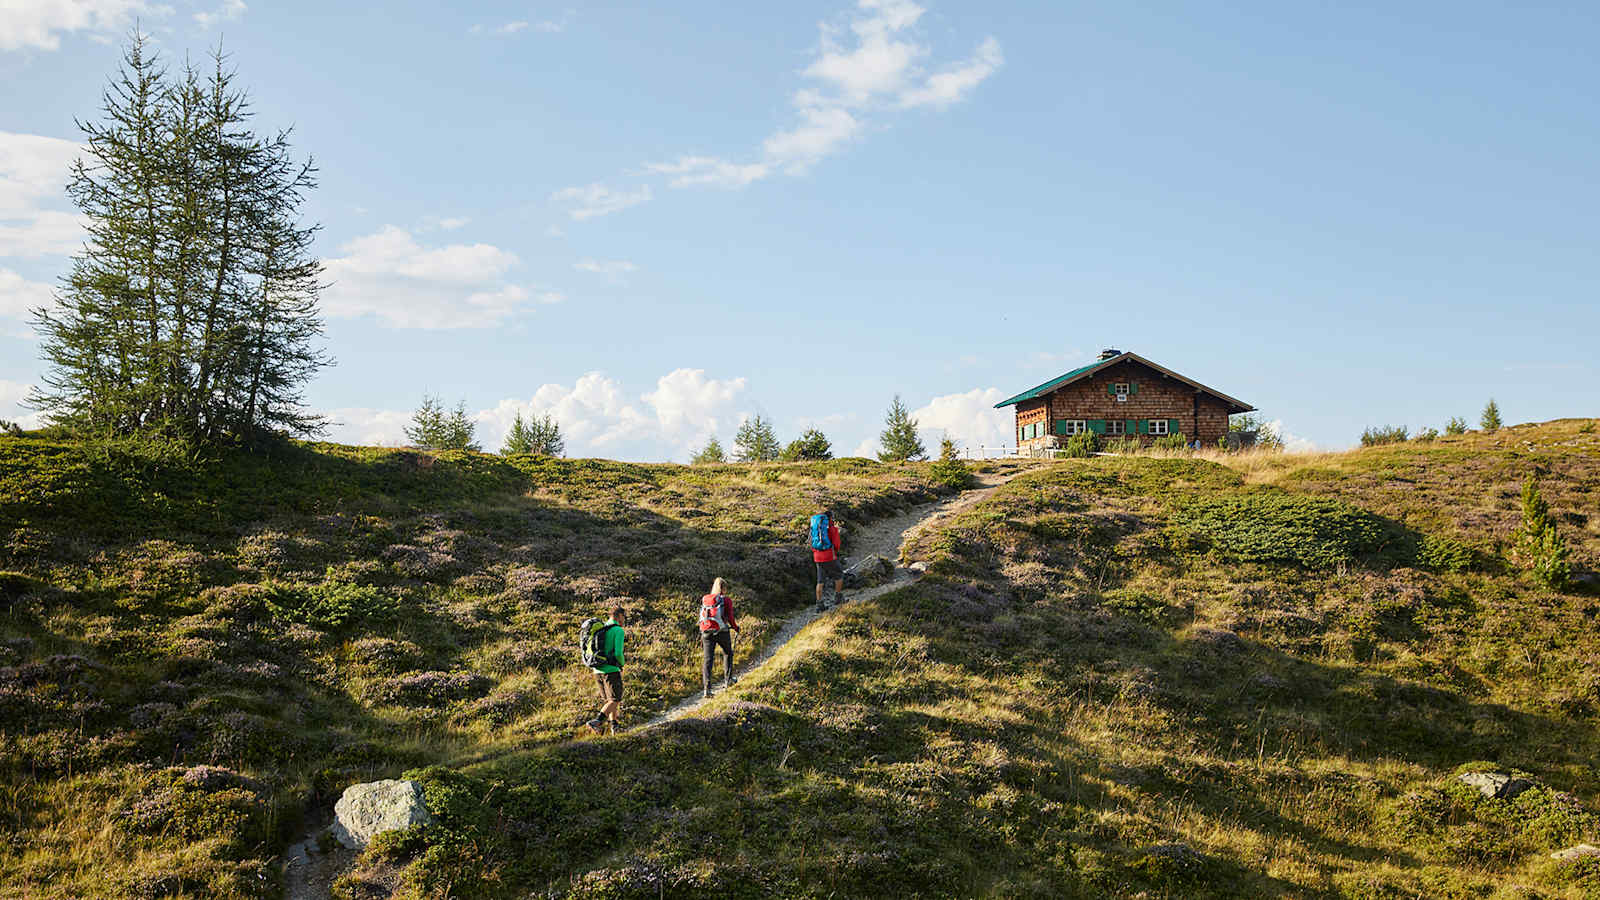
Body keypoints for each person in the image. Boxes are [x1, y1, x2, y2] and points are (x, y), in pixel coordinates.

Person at [586, 605, 626, 734]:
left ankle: (614, 726)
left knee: (610, 701)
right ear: (619, 616)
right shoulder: (618, 630)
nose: (624, 620)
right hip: (611, 669)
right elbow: (618, 653)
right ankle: (597, 721)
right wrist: (622, 664)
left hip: (597, 670)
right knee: (616, 699)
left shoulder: (601, 628)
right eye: (624, 617)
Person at [699, 577, 740, 698]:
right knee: (728, 653)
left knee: (708, 659)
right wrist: (736, 628)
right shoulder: (726, 600)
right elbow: (731, 617)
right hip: (721, 631)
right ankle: (728, 681)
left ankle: (707, 689)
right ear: (723, 588)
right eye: (725, 588)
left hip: (706, 632)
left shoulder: (706, 599)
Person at [810, 508, 845, 611]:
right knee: (839, 575)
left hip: (817, 557)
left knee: (820, 581)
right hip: (829, 556)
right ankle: (838, 597)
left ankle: (819, 605)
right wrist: (835, 551)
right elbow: (837, 544)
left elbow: (811, 543)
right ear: (830, 518)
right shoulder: (832, 529)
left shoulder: (815, 528)